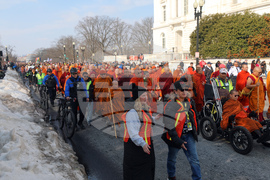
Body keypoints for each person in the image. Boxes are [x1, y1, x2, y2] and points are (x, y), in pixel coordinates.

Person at [163, 80, 201, 180]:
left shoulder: (190, 101)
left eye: (185, 89)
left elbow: (195, 116)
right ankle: (171, 176)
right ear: (176, 91)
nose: (184, 92)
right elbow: (169, 124)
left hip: (189, 135)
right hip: (175, 137)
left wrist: (196, 130)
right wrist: (178, 140)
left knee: (194, 160)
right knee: (172, 159)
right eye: (181, 90)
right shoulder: (171, 104)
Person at [122, 87, 160, 180]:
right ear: (138, 98)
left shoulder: (143, 107)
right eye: (143, 95)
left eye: (146, 95)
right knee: (137, 174)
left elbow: (145, 119)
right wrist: (142, 143)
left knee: (147, 171)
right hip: (136, 149)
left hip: (146, 145)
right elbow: (133, 133)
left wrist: (155, 118)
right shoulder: (132, 112)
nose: (146, 97)